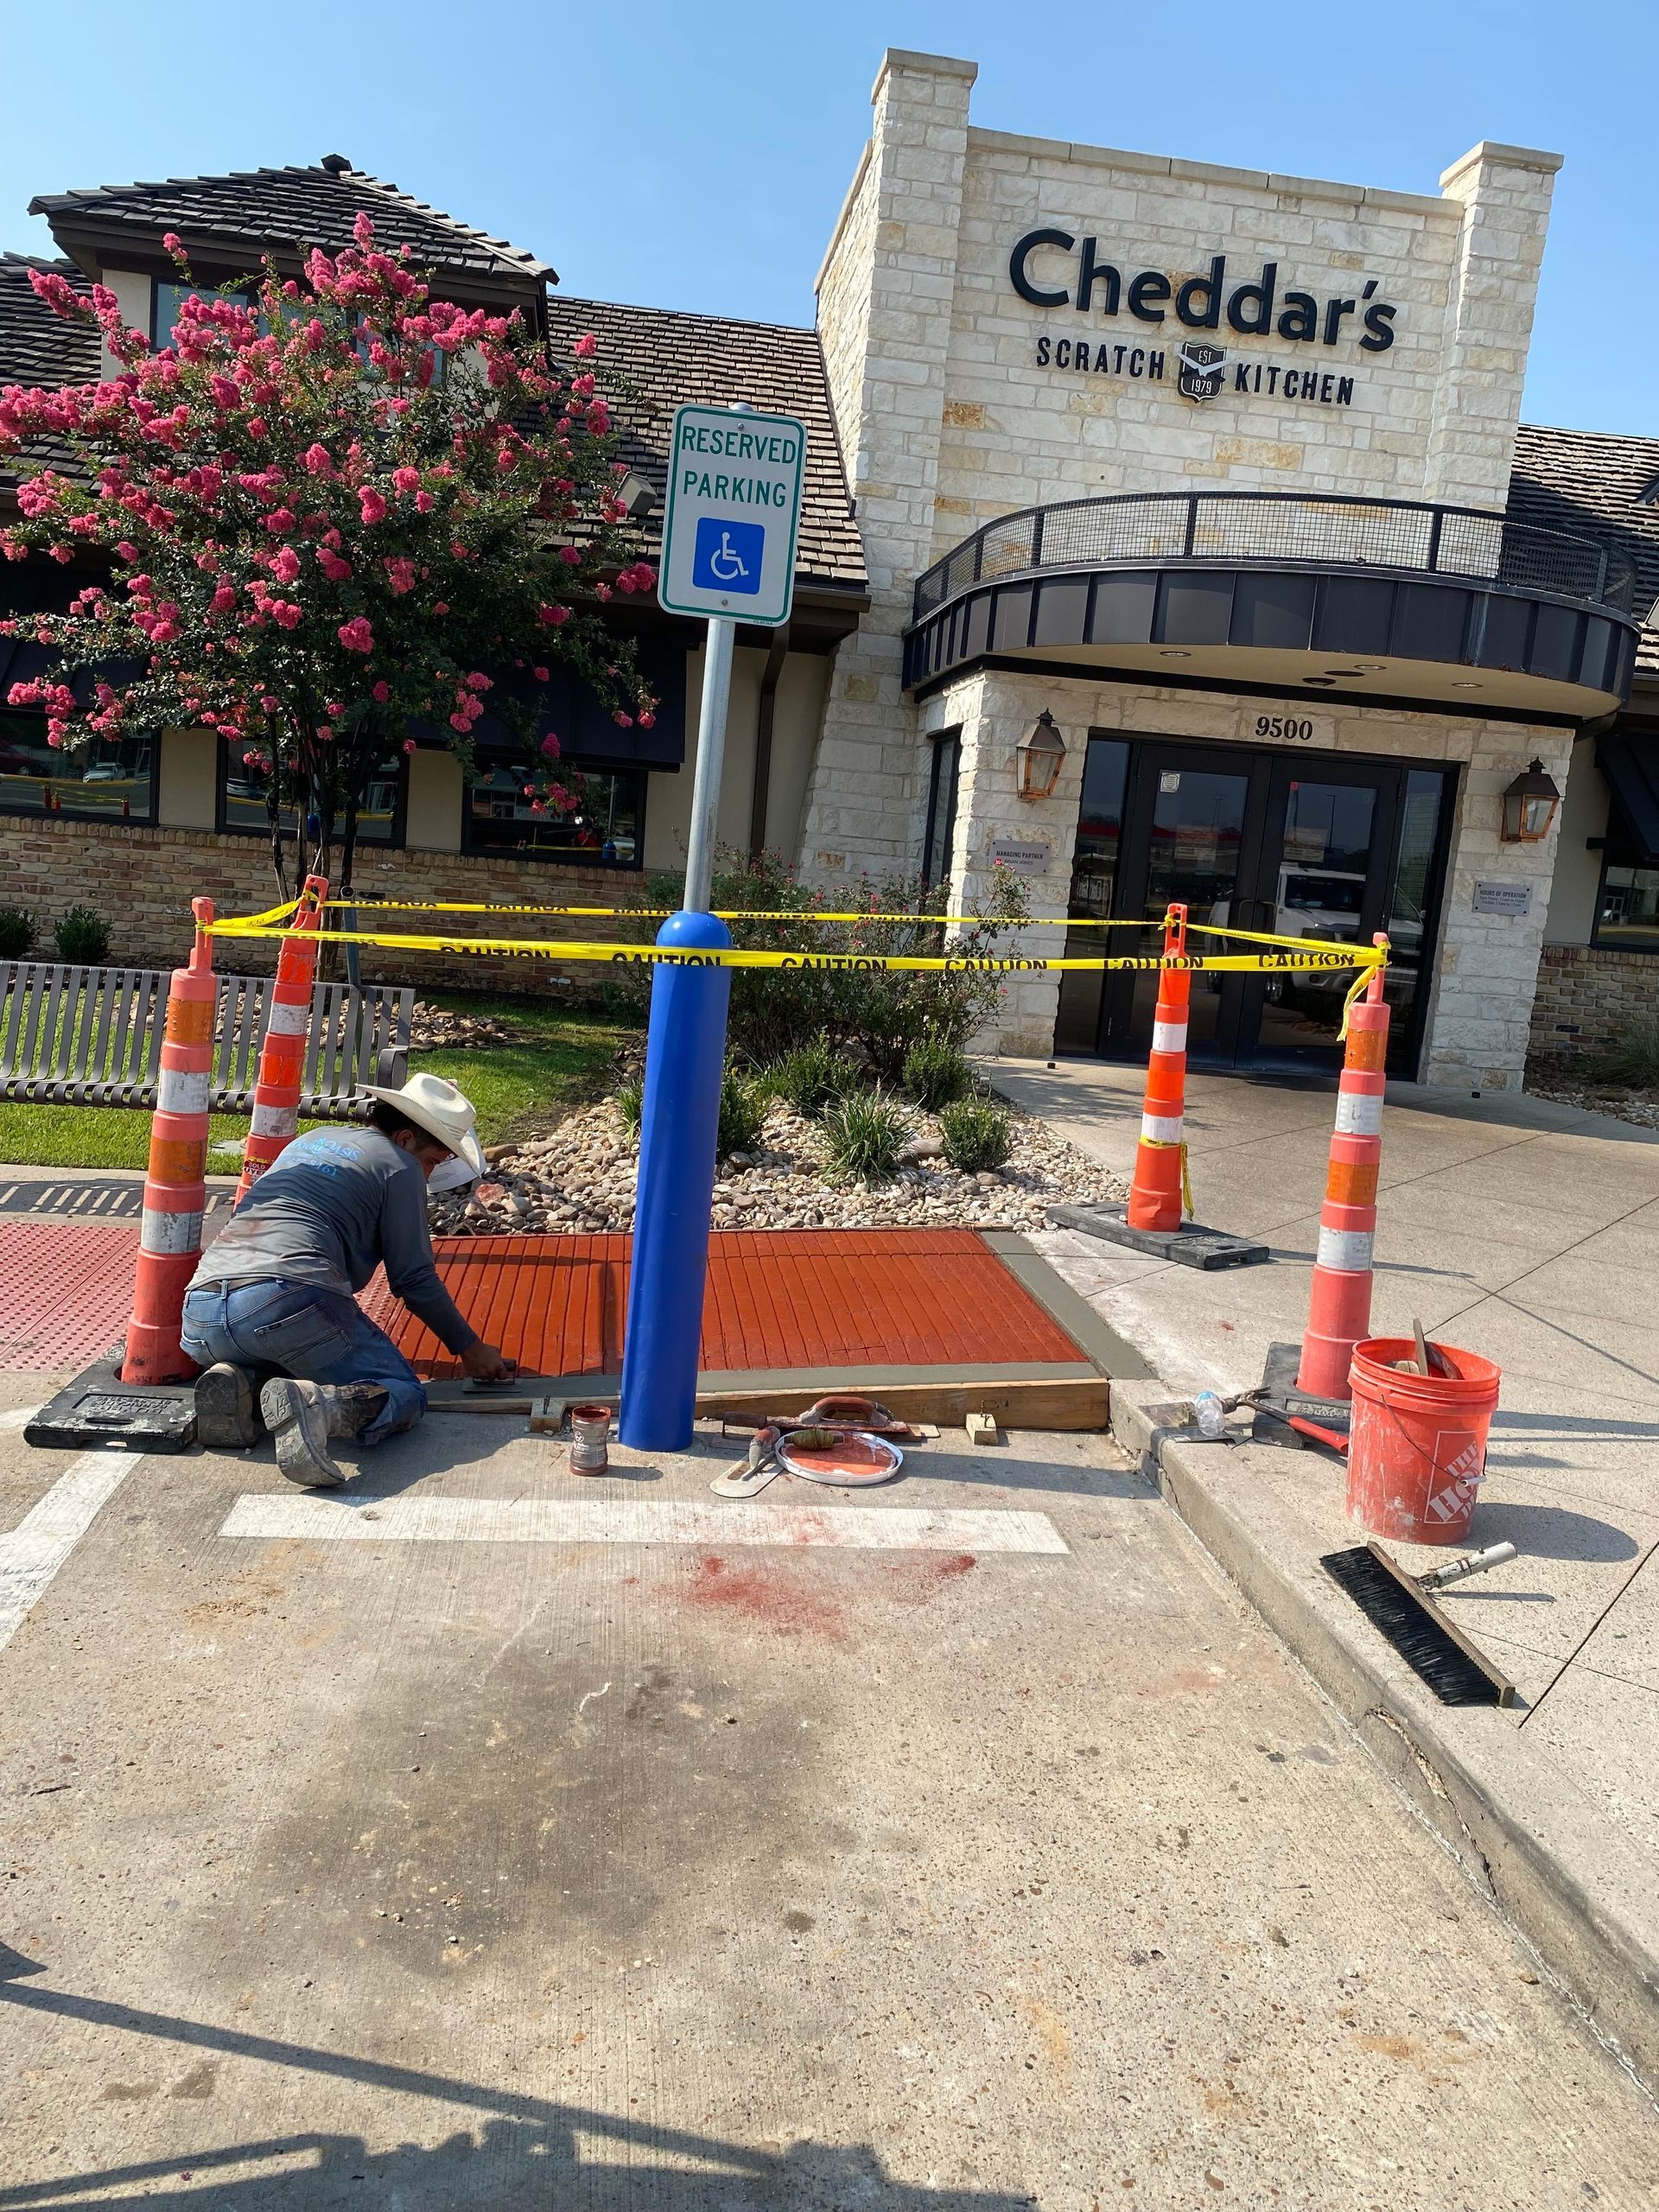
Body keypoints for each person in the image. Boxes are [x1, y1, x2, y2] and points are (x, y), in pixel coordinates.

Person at [180, 1073, 514, 1487]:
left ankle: (239, 1382)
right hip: (286, 1299)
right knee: (400, 1390)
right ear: (407, 1137)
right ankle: (321, 1408)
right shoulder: (400, 1165)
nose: (427, 1175)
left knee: (282, 1352)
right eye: (433, 1161)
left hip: (201, 1314)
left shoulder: (311, 1140)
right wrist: (470, 1347)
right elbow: (413, 1279)